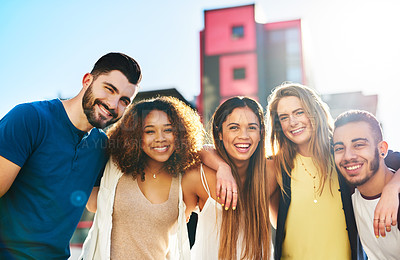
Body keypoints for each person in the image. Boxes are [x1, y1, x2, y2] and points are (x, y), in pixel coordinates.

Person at [0, 52, 142, 259]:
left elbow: (95, 203)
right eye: (109, 89)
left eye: (124, 101)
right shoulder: (30, 118)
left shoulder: (101, 146)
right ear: (87, 81)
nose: (113, 104)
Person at [266, 82, 400, 260]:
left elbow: (388, 159)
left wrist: (392, 189)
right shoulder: (275, 166)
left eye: (299, 112)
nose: (293, 122)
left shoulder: (343, 156)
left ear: (314, 112)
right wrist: (222, 169)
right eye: (284, 117)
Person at [183, 96, 272, 259]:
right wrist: (223, 167)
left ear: (261, 133)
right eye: (234, 127)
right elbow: (172, 233)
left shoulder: (271, 173)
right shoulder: (198, 176)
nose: (243, 136)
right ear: (220, 134)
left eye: (251, 127)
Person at [333, 110, 400, 260]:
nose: (348, 156)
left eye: (358, 145)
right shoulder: (346, 192)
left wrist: (392, 188)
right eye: (339, 148)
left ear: (382, 150)